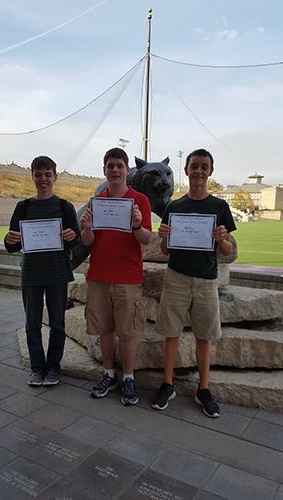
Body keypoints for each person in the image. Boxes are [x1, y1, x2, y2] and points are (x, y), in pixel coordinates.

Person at [151, 149, 236, 417]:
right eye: (194, 166)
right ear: (186, 171)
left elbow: (229, 252)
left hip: (206, 280)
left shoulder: (219, 207)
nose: (198, 171)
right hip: (176, 277)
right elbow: (165, 250)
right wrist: (163, 236)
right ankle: (168, 384)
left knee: (204, 337)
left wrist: (221, 237)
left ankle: (204, 388)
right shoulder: (174, 207)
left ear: (210, 171)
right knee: (171, 333)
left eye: (204, 166)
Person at [80, 147, 152, 406]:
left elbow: (145, 239)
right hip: (99, 275)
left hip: (127, 277)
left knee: (128, 331)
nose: (114, 170)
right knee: (105, 330)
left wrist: (136, 224)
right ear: (104, 171)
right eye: (110, 166)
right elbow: (88, 241)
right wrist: (86, 227)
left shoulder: (140, 200)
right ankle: (109, 374)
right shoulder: (96, 201)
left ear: (126, 170)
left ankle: (128, 378)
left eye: (119, 165)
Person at [4, 156, 80, 386]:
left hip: (57, 273)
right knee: (32, 323)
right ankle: (37, 368)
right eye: (38, 174)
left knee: (57, 324)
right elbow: (13, 243)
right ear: (33, 177)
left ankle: (53, 367)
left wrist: (72, 236)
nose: (43, 179)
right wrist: (9, 239)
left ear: (55, 176)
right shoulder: (23, 207)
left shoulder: (65, 207)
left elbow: (75, 240)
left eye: (48, 174)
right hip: (32, 274)